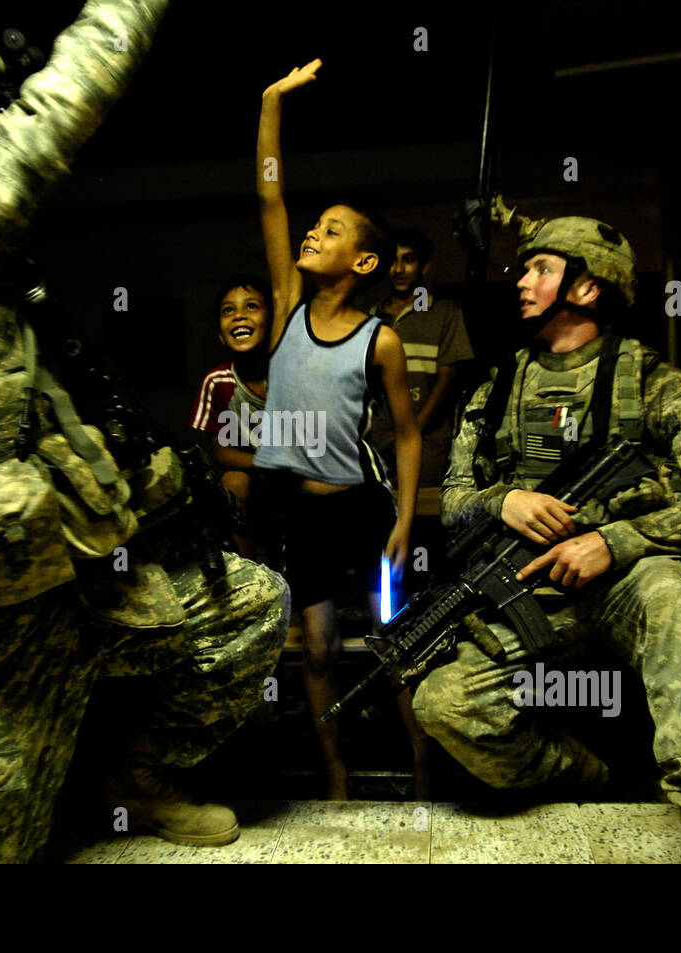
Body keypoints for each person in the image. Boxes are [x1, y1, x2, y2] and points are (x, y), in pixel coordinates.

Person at [0, 0, 288, 863]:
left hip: (64, 581)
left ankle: (135, 781)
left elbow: (37, 437)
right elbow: (60, 107)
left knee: (249, 603)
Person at [415, 213, 681, 863]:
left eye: (542, 268)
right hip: (532, 582)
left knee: (680, 604)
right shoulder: (494, 393)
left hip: (633, 574)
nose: (521, 280)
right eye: (523, 267)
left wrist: (621, 540)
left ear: (587, 288)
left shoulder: (652, 381)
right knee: (445, 702)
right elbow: (455, 501)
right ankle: (595, 777)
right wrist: (504, 500)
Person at [253, 59, 425, 799]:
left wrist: (407, 519)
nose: (310, 233)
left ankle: (424, 771)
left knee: (397, 643)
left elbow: (409, 434)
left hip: (364, 508)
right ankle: (336, 776)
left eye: (329, 231)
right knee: (317, 649)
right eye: (312, 226)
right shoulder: (287, 302)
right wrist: (272, 101)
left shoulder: (378, 340)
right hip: (301, 511)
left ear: (360, 260)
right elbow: (270, 195)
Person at [369, 228, 475, 487]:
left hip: (426, 442)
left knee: (422, 514)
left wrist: (411, 433)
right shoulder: (372, 316)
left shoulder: (443, 312)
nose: (399, 269)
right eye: (393, 261)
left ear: (424, 266)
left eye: (409, 259)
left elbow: (448, 378)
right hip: (378, 441)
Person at [190, 274, 272, 558]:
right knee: (233, 484)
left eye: (251, 306)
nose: (239, 316)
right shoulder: (218, 382)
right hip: (253, 476)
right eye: (229, 310)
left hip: (294, 475)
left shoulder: (292, 376)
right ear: (220, 335)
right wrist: (266, 464)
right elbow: (221, 453)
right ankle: (249, 575)